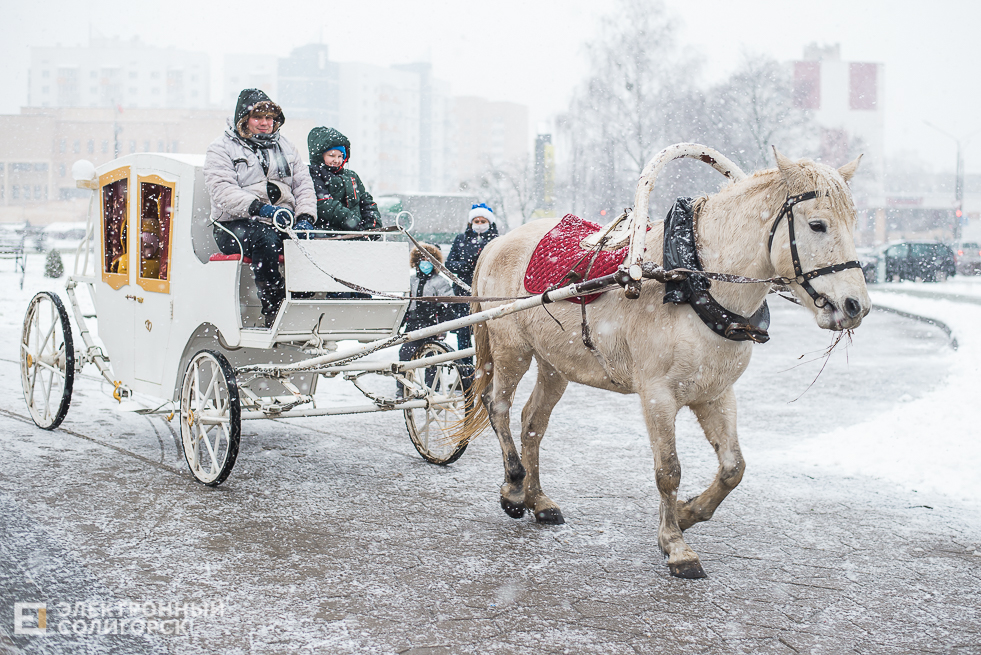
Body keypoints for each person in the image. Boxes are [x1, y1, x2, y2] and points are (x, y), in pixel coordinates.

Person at [204, 88, 317, 328]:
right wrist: (258, 208)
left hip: (279, 222)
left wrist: (305, 216)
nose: (265, 123)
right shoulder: (221, 148)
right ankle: (273, 307)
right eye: (258, 118)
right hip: (233, 225)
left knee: (308, 241)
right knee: (264, 239)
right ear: (244, 119)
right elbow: (222, 191)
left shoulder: (286, 147)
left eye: (270, 118)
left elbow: (304, 186)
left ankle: (301, 304)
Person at [397, 244, 453, 397]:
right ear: (416, 261)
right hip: (413, 324)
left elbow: (447, 307)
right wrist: (399, 324)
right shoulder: (411, 281)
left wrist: (442, 328)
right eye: (422, 259)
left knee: (432, 359)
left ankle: (432, 388)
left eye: (429, 259)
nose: (425, 262)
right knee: (405, 354)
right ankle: (402, 387)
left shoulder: (440, 282)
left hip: (432, 324)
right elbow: (405, 304)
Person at [445, 202, 500, 353]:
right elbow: (449, 263)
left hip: (489, 292)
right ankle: (466, 370)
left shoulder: (497, 241)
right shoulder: (461, 239)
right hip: (464, 292)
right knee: (463, 334)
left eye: (483, 221)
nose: (480, 224)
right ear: (471, 223)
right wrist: (465, 266)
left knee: (489, 333)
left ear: (490, 222)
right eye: (477, 221)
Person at [307, 127, 382, 233]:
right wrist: (352, 222)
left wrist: (372, 224)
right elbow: (324, 204)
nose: (336, 160)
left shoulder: (351, 176)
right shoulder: (314, 174)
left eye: (340, 156)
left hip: (355, 233)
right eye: (331, 155)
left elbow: (366, 201)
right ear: (320, 155)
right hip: (327, 232)